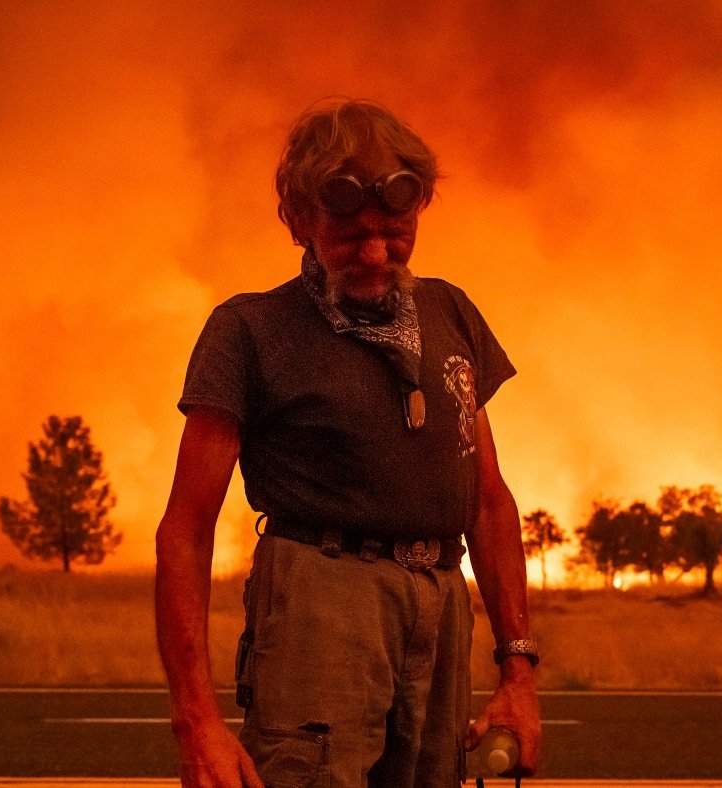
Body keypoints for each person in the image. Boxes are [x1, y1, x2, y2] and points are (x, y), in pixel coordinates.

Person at [155, 98, 542, 788]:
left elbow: (486, 502)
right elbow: (185, 531)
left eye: (395, 233)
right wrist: (198, 723)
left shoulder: (450, 312)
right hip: (318, 605)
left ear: (419, 207)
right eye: (349, 235)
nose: (375, 254)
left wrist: (518, 673)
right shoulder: (249, 330)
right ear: (298, 219)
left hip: (441, 601)